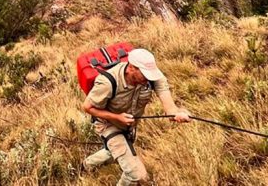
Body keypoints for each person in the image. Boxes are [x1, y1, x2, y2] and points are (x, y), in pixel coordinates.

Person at [81, 48, 191, 185]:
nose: (148, 79)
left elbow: (170, 108)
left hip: (129, 126)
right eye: (144, 75)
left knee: (114, 151)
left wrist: (177, 114)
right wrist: (117, 117)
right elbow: (87, 107)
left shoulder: (152, 77)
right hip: (108, 125)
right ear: (132, 68)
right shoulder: (107, 82)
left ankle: (86, 166)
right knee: (137, 176)